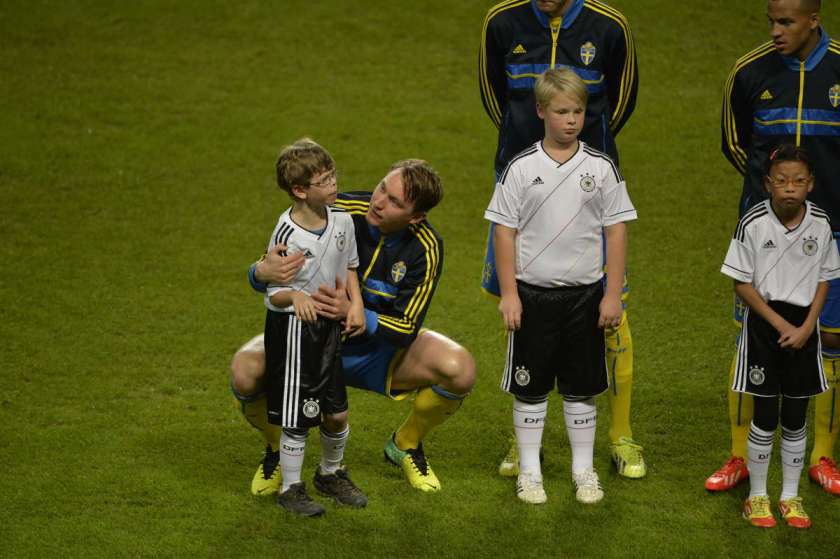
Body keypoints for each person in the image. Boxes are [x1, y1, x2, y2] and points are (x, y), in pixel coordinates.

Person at [232, 159, 476, 495]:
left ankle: (405, 444)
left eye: (395, 203)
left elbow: (407, 326)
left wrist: (360, 314)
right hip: (307, 340)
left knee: (459, 369)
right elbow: (269, 272)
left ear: (416, 217)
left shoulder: (425, 247)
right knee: (245, 371)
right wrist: (259, 272)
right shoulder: (339, 209)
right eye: (381, 189)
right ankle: (276, 450)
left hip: (374, 354)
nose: (378, 202)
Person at [480, 0, 645, 479]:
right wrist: (524, 149)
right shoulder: (501, 22)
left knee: (611, 311)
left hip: (586, 182)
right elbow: (495, 98)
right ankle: (523, 436)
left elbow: (621, 101)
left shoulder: (610, 26)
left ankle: (620, 436)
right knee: (518, 308)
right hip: (520, 180)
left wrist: (581, 154)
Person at [711, 0, 840, 495]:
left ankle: (823, 456)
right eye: (771, 20)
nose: (775, 31)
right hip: (765, 231)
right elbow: (734, 143)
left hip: (832, 232)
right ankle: (740, 455)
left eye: (786, 22)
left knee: (829, 338)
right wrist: (778, 197)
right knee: (753, 339)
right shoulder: (749, 73)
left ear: (814, 19)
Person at [721, 144, 840, 528]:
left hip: (804, 330)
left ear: (811, 185)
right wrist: (781, 324)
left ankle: (790, 497)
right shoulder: (752, 223)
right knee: (766, 415)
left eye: (799, 181)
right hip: (765, 328)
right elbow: (741, 283)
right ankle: (758, 496)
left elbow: (825, 278)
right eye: (783, 181)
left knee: (795, 416)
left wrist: (807, 327)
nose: (791, 188)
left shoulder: (821, 224)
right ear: (768, 183)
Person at [257, 138, 367, 517]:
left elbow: (350, 266)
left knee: (336, 412)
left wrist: (357, 304)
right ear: (300, 190)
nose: (334, 185)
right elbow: (273, 295)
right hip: (293, 332)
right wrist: (295, 298)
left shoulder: (342, 220)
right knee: (299, 416)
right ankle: (290, 487)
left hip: (330, 330)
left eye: (334, 175)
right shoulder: (286, 234)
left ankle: (330, 473)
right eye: (324, 180)